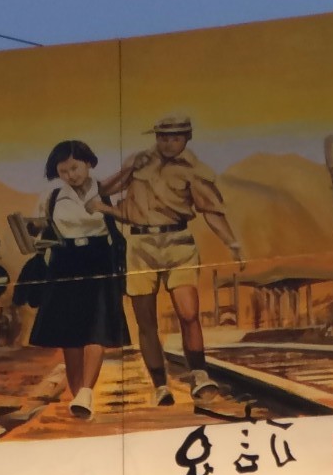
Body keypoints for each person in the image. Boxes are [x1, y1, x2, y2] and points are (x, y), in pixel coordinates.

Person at [102, 114, 245, 409]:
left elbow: (211, 211)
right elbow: (105, 191)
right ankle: (160, 385)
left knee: (188, 312)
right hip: (140, 245)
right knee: (146, 321)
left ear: (187, 138)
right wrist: (129, 169)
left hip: (178, 243)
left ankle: (199, 374)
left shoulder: (195, 171)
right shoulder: (138, 162)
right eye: (163, 137)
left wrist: (232, 243)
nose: (168, 143)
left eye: (175, 138)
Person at [26, 139, 131, 420]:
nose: (70, 175)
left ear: (88, 163)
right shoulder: (52, 195)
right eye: (63, 171)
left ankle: (87, 391)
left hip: (99, 257)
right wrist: (34, 231)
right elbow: (40, 231)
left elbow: (126, 219)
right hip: (64, 260)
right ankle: (79, 398)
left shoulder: (106, 190)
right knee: (70, 334)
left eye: (74, 168)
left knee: (98, 327)